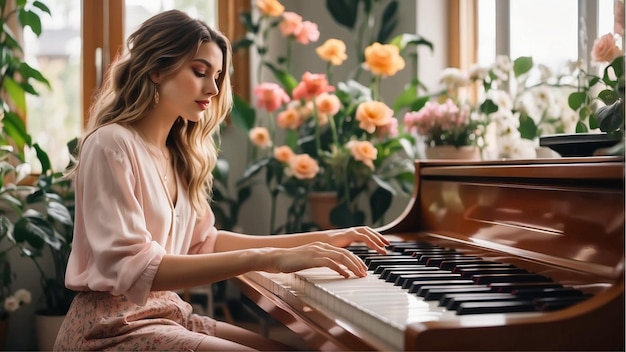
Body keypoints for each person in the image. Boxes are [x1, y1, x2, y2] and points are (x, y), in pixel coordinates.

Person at [53, 9, 390, 351]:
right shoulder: (111, 144)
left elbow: (205, 244)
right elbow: (134, 268)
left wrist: (323, 238)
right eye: (200, 72)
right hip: (110, 328)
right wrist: (268, 258)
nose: (213, 88)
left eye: (217, 76)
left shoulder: (179, 155)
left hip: (168, 315)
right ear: (155, 69)